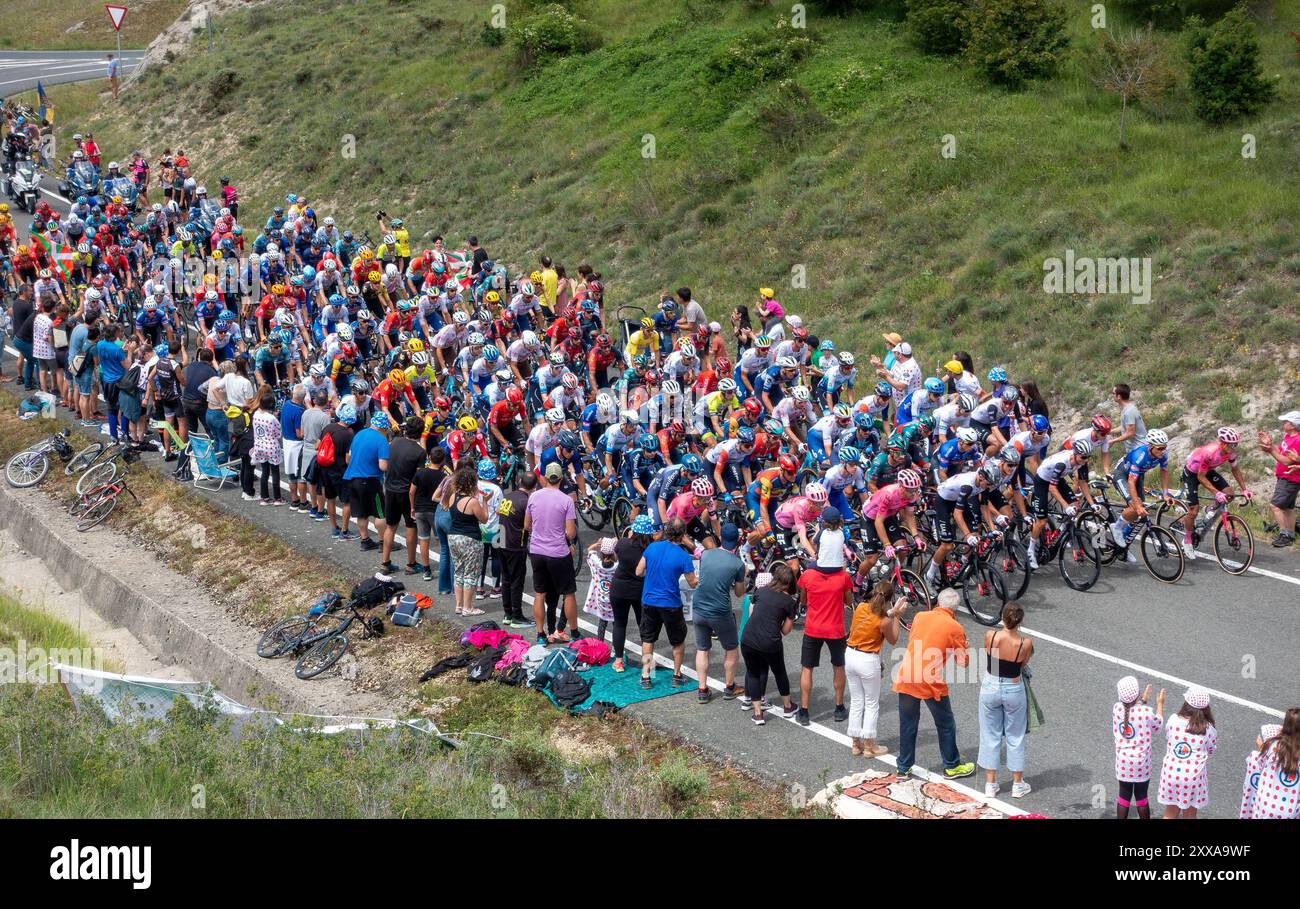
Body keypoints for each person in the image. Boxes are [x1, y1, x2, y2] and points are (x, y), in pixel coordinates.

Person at [892, 587, 977, 780]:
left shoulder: (921, 616)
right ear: (954, 609)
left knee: (908, 724)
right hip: (930, 680)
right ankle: (952, 765)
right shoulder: (955, 627)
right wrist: (966, 647)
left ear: (938, 602)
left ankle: (903, 767)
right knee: (945, 723)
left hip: (906, 673)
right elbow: (963, 662)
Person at [796, 510, 856, 727]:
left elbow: (803, 600)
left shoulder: (808, 576)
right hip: (836, 630)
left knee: (807, 668)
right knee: (838, 667)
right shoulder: (843, 578)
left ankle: (804, 710)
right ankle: (839, 707)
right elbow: (848, 601)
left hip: (813, 628)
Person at [978, 603, 1034, 798]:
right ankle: (1018, 784)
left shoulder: (990, 636)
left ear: (1003, 617)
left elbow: (990, 655)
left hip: (991, 685)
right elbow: (1023, 662)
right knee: (1015, 735)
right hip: (1013, 687)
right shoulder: (1025, 643)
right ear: (1020, 621)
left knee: (989, 734)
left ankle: (990, 784)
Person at [635, 517, 698, 689]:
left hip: (649, 600)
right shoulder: (684, 556)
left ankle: (646, 676)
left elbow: (639, 571)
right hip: (671, 603)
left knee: (648, 639)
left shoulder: (652, 547)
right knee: (677, 641)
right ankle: (676, 676)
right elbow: (693, 583)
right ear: (682, 535)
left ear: (666, 530)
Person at [845, 581, 903, 757]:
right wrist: (898, 616)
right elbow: (893, 639)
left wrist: (893, 612)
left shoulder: (861, 607)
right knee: (871, 704)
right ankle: (870, 746)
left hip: (850, 655)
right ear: (888, 599)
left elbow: (877, 613)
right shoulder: (884, 620)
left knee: (856, 701)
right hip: (868, 660)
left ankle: (856, 744)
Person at [691, 521, 747, 703]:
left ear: (721, 537)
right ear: (738, 541)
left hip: (699, 607)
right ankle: (730, 687)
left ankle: (702, 690)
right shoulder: (738, 564)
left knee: (702, 649)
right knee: (731, 648)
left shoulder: (706, 555)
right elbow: (739, 593)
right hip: (720, 611)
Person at [739, 565, 800, 725]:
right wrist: (777, 622)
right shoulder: (789, 601)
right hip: (770, 642)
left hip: (748, 638)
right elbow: (786, 631)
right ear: (789, 583)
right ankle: (788, 707)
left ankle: (758, 714)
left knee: (753, 673)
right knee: (779, 672)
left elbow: (753, 614)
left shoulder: (760, 591)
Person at [526, 462, 579, 643]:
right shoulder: (566, 500)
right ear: (561, 479)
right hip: (558, 552)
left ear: (545, 478)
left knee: (539, 593)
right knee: (568, 592)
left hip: (537, 551)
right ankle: (574, 631)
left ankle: (540, 634)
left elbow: (527, 525)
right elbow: (571, 533)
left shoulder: (533, 497)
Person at [1157, 686, 1217, 819]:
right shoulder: (1208, 729)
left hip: (1171, 774)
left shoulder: (1173, 720)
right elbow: (1211, 749)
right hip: (1193, 777)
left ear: (1187, 704)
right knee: (1190, 814)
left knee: (1170, 812)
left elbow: (1168, 737)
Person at [1113, 675, 1166, 820]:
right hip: (1141, 764)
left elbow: (1131, 711)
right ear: (1136, 693)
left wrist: (1143, 700)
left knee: (1123, 797)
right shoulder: (1146, 712)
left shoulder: (1117, 709)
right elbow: (1158, 725)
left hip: (1123, 762)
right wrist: (1160, 704)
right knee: (1141, 797)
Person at [443, 462, 489, 618]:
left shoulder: (452, 497)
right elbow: (484, 519)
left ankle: (459, 605)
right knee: (470, 573)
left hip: (453, 536)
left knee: (459, 571)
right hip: (470, 538)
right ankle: (468, 607)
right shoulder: (472, 502)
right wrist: (486, 502)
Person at [608, 515, 653, 672]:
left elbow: (616, 555)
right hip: (640, 591)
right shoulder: (650, 549)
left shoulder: (623, 543)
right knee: (645, 627)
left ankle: (619, 661)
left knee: (620, 624)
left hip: (619, 588)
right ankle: (648, 664)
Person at [381, 416, 425, 575]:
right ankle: (411, 563)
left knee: (390, 526)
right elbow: (418, 478)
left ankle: (385, 562)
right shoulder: (420, 452)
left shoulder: (395, 442)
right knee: (411, 526)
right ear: (420, 433)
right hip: (407, 493)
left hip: (390, 489)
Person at [343, 412, 391, 551]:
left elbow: (349, 457)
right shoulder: (381, 440)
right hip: (370, 480)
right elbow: (383, 466)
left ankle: (365, 540)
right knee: (380, 512)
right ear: (383, 428)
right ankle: (383, 542)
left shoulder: (359, 434)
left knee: (361, 512)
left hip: (351, 478)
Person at [1239, 711, 1300, 819]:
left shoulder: (1273, 746)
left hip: (1265, 805)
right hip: (1290, 810)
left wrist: (1261, 748)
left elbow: (1260, 763)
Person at [497, 471, 534, 627]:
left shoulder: (508, 496)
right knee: (517, 581)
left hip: (501, 540)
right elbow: (529, 525)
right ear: (534, 486)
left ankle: (508, 613)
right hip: (515, 545)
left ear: (519, 481)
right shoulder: (527, 502)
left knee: (505, 579)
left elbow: (499, 512)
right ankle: (517, 615)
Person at [1261, 411, 1300, 547]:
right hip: (1287, 478)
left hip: (1290, 478)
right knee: (1288, 508)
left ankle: (1284, 535)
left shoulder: (1297, 440)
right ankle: (1290, 534)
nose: (1283, 423)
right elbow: (1282, 451)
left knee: (1275, 505)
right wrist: (1270, 446)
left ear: (1293, 425)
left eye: (1286, 422)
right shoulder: (1288, 437)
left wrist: (1270, 451)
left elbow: (1287, 461)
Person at [411, 447, 449, 583]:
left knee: (423, 539)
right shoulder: (444, 477)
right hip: (435, 511)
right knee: (441, 540)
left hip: (420, 510)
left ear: (429, 457)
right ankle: (445, 568)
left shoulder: (420, 473)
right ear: (443, 460)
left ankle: (426, 570)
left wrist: (412, 507)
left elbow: (411, 492)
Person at [250, 391, 284, 505]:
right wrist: (276, 417)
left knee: (265, 471)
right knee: (275, 472)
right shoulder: (271, 418)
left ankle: (264, 497)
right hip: (271, 446)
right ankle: (277, 498)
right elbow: (278, 434)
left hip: (259, 445)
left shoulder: (255, 415)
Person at [583, 537, 618, 639]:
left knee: (602, 623)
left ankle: (600, 645)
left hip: (601, 600)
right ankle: (618, 649)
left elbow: (590, 551)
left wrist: (598, 544)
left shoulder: (597, 564)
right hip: (614, 601)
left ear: (601, 553)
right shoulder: (617, 566)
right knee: (617, 625)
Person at [280, 385, 307, 509]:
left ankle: (294, 500)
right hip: (297, 445)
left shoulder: (286, 404)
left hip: (286, 443)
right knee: (301, 476)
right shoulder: (299, 411)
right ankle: (303, 502)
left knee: (291, 474)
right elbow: (299, 433)